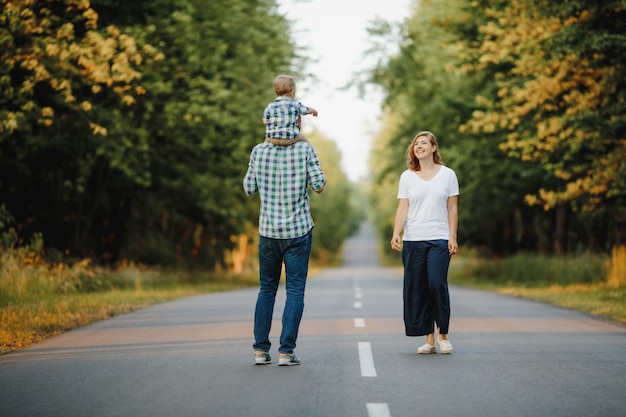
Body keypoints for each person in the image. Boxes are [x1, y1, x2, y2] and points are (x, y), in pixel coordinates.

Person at [243, 135, 326, 366]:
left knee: (266, 289)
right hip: (298, 232)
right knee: (295, 290)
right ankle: (286, 353)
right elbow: (319, 186)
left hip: (268, 231)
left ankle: (260, 351)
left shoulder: (258, 151)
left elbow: (249, 188)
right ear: (297, 124)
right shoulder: (305, 149)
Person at [390, 130, 459, 355]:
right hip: (413, 240)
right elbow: (403, 207)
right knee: (418, 289)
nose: (418, 146)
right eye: (416, 144)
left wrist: (452, 236)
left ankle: (443, 336)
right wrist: (396, 232)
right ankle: (429, 340)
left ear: (433, 148)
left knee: (436, 284)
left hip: (439, 238)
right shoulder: (407, 177)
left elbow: (452, 208)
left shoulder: (448, 175)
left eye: (423, 143)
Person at [263, 74, 318, 146]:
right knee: (306, 142)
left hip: (272, 139)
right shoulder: (295, 104)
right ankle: (308, 150)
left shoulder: (270, 106)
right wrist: (314, 111)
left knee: (265, 144)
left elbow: (265, 121)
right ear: (292, 92)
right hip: (289, 138)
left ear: (275, 92)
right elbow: (306, 110)